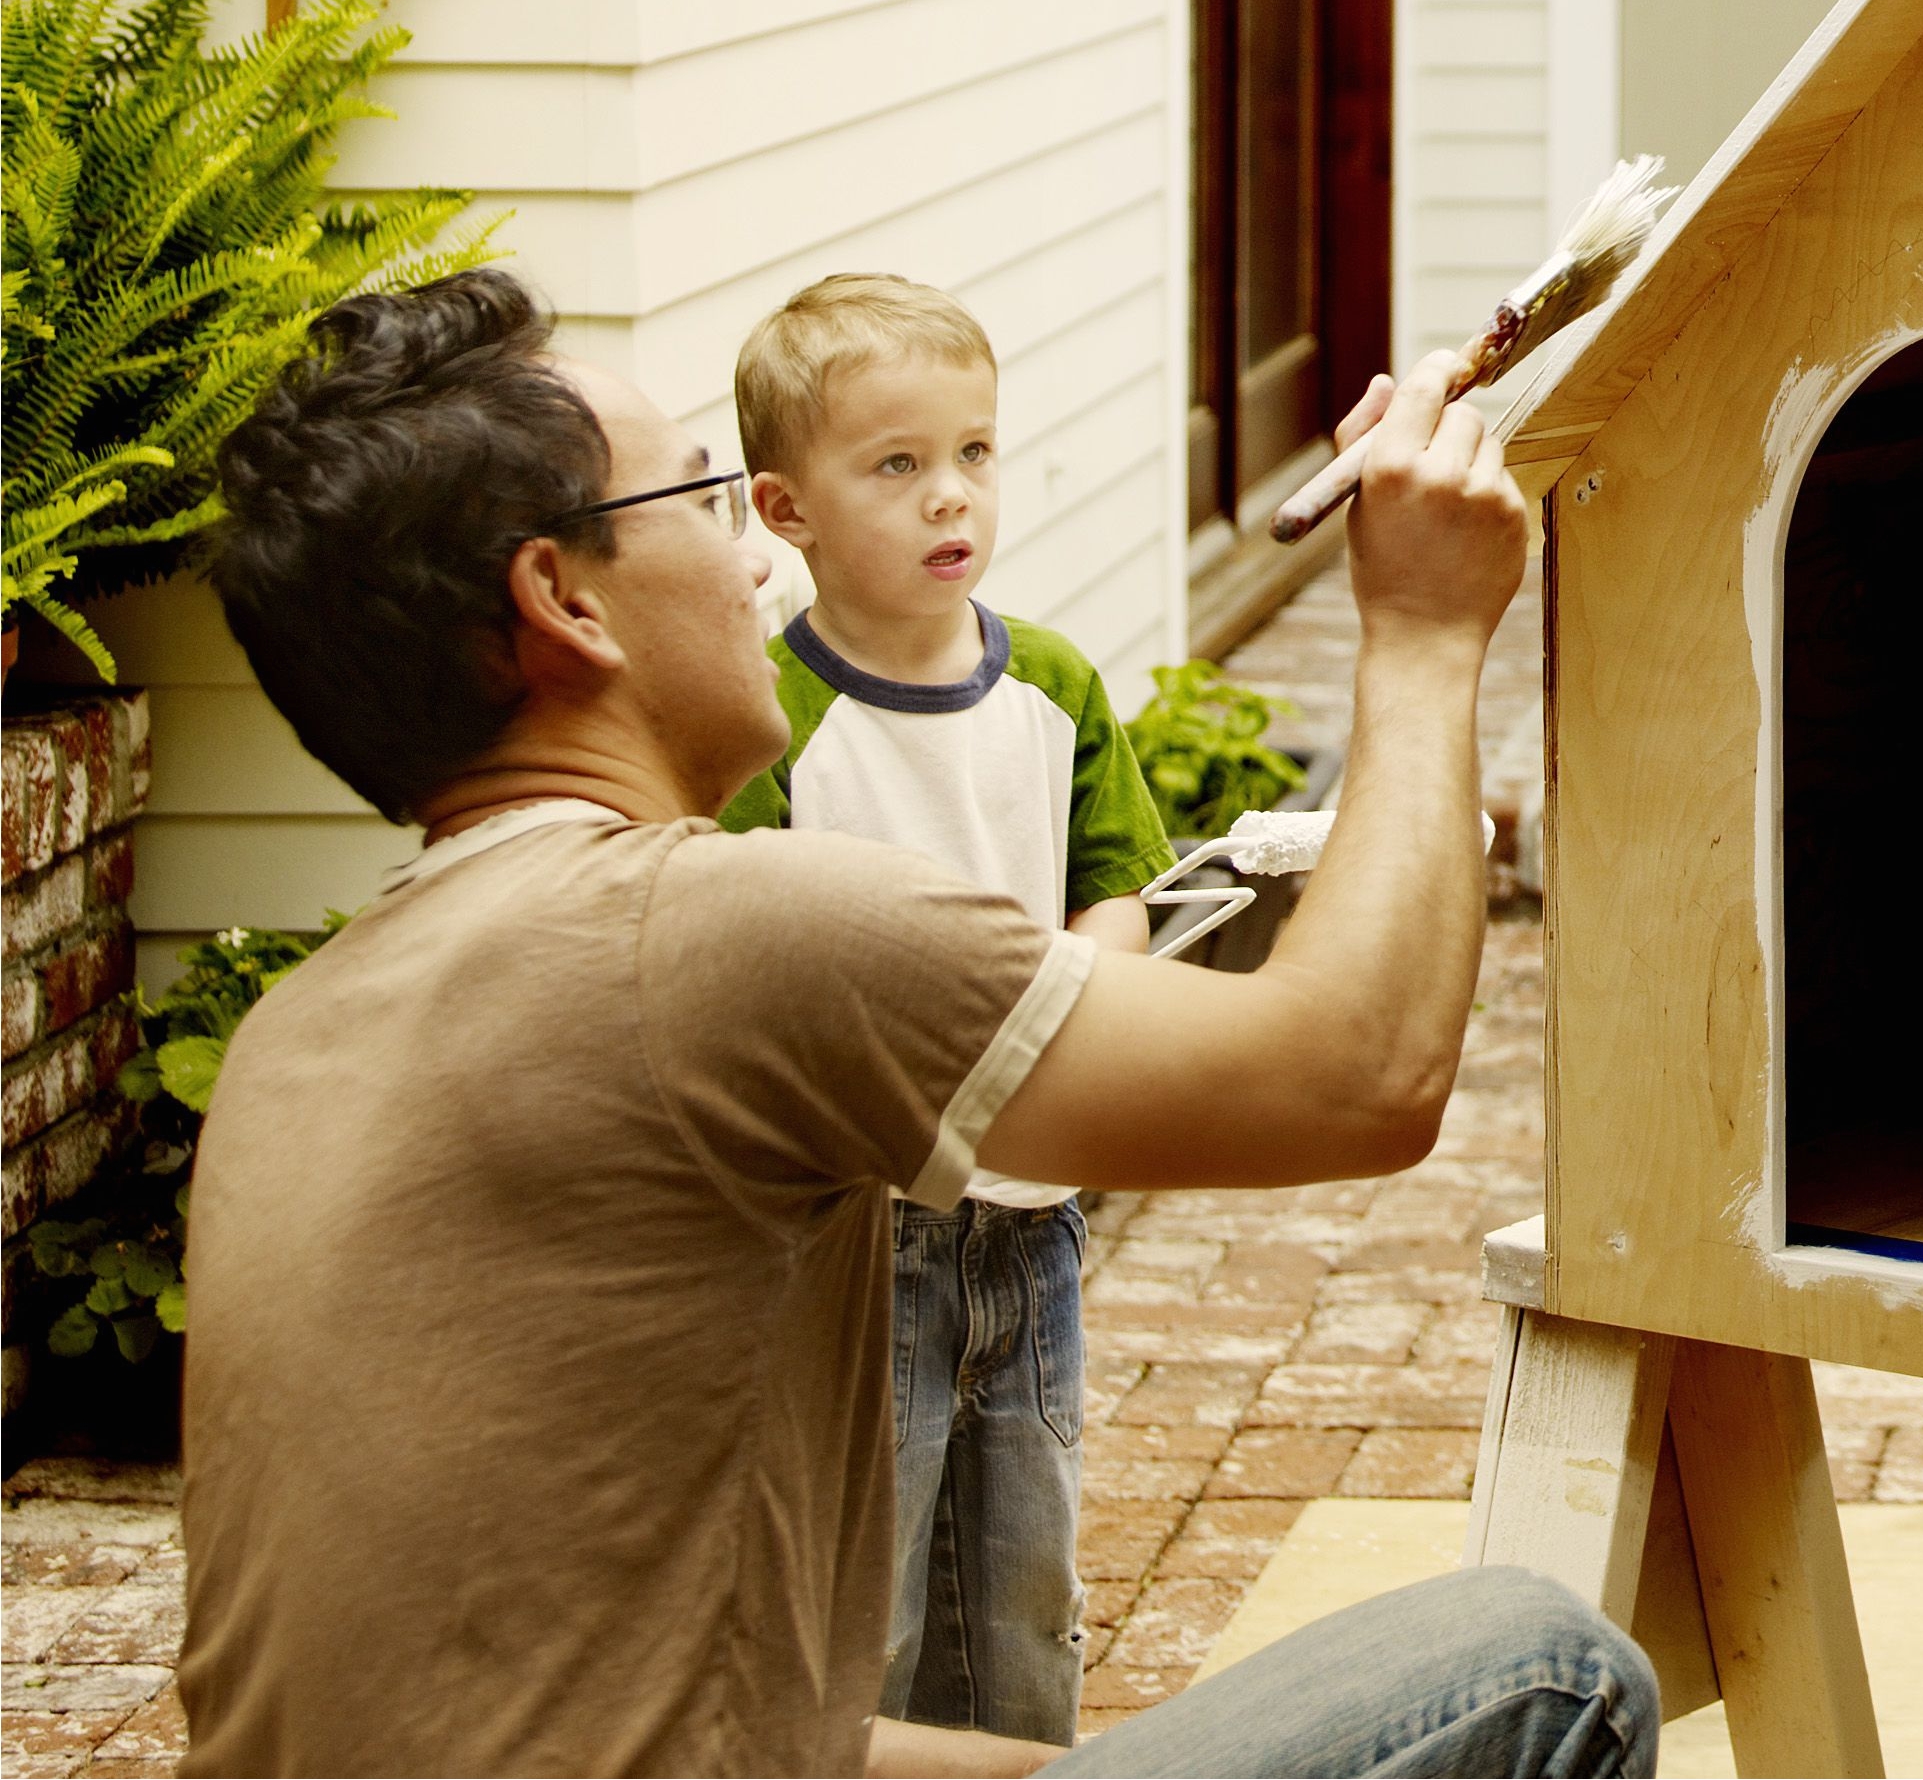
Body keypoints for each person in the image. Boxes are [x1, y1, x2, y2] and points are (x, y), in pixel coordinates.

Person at [171, 268, 1647, 1780]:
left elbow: (658, 1724)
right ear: (564, 602)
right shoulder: (723, 932)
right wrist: (1419, 625)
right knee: (1545, 1669)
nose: (755, 564)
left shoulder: (294, 1037)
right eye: (705, 501)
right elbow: (1359, 1074)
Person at [716, 274, 1178, 1746]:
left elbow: (1118, 892)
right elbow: (743, 956)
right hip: (869, 1230)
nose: (949, 497)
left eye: (973, 452)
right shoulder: (772, 721)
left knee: (1027, 1570)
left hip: (1034, 1219)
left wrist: (1087, 1009)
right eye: (897, 465)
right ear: (785, 510)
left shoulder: (1046, 684)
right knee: (880, 1574)